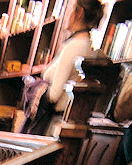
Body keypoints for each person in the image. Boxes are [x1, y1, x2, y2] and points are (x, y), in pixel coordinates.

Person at [21, 0, 104, 134]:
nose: (68, 13)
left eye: (71, 9)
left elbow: (54, 95)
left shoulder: (72, 46)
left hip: (55, 125)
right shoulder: (95, 50)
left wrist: (35, 86)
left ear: (79, 13)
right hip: (76, 124)